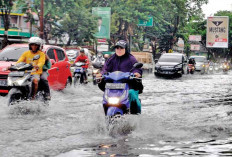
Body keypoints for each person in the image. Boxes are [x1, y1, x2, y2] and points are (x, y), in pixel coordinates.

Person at [96, 40, 143, 114]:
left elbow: (137, 68)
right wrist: (101, 74)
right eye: (117, 48)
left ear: (126, 49)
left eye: (121, 48)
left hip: (128, 84)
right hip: (113, 84)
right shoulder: (111, 59)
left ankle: (136, 113)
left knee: (131, 93)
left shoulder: (131, 59)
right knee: (106, 95)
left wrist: (136, 73)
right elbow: (105, 68)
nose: (119, 50)